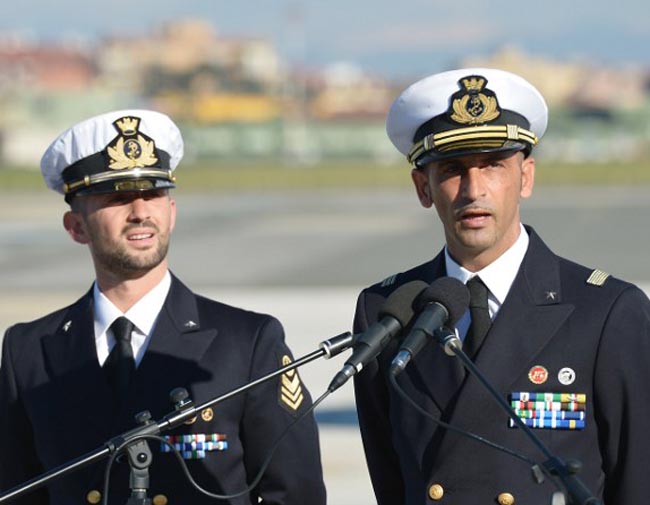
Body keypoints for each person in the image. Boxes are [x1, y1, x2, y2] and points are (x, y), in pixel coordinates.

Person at [352, 68, 650, 505]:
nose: (474, 190)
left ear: (525, 177)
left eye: (493, 165)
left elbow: (639, 481)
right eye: (453, 170)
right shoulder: (388, 310)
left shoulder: (605, 312)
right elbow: (390, 478)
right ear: (423, 187)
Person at [0, 109, 326, 505]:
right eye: (118, 198)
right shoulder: (29, 351)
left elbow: (296, 494)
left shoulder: (248, 343)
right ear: (76, 227)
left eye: (153, 195)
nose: (140, 212)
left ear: (171, 213)